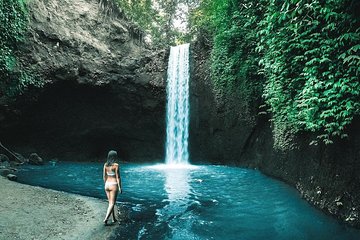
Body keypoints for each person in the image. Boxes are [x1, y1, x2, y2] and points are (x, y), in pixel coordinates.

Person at [103, 150, 122, 225]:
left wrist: (105, 184)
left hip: (107, 184)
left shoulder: (105, 165)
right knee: (112, 203)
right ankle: (106, 219)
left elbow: (104, 176)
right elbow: (118, 177)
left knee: (111, 202)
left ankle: (113, 218)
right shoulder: (116, 165)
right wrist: (120, 187)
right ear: (114, 157)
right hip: (113, 184)